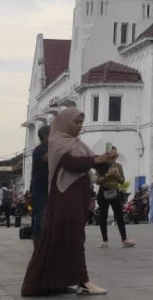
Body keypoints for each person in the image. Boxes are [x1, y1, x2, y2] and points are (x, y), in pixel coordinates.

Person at [21, 107, 115, 295]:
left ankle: (54, 282)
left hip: (76, 196)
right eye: (76, 122)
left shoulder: (76, 143)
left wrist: (107, 160)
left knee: (64, 239)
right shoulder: (57, 141)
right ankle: (83, 281)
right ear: (64, 122)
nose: (79, 126)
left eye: (81, 122)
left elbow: (90, 162)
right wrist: (97, 160)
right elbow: (72, 163)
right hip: (65, 197)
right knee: (72, 237)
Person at [96, 146, 135, 248]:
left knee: (119, 216)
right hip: (103, 191)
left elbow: (122, 181)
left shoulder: (119, 166)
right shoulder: (101, 165)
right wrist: (107, 175)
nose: (114, 157)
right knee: (103, 216)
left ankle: (124, 239)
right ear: (107, 155)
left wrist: (117, 176)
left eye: (116, 155)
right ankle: (105, 240)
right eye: (112, 155)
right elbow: (97, 181)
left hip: (115, 192)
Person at [30, 125, 50, 243]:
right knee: (40, 219)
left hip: (46, 189)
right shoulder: (41, 149)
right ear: (45, 135)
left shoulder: (48, 148)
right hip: (40, 191)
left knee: (44, 218)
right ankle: (38, 246)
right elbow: (51, 158)